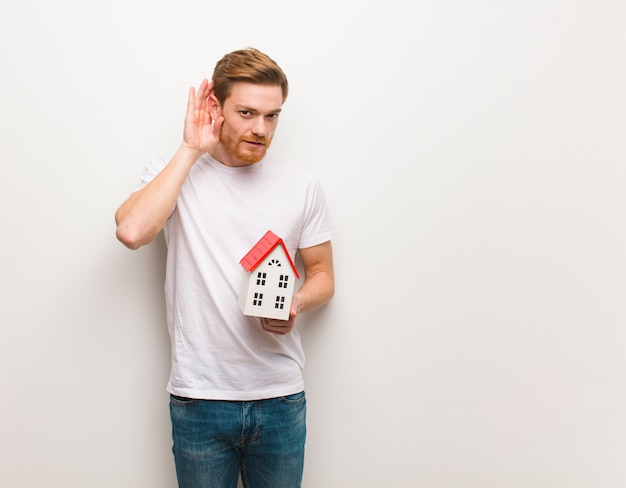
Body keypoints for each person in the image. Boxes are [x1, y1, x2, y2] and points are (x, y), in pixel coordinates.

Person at [114, 48, 334, 487]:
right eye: (248, 112)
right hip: (200, 398)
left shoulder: (300, 184)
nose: (260, 129)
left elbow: (323, 275)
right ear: (216, 106)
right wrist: (191, 148)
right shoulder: (173, 172)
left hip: (280, 398)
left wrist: (297, 302)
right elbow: (132, 232)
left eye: (272, 116)